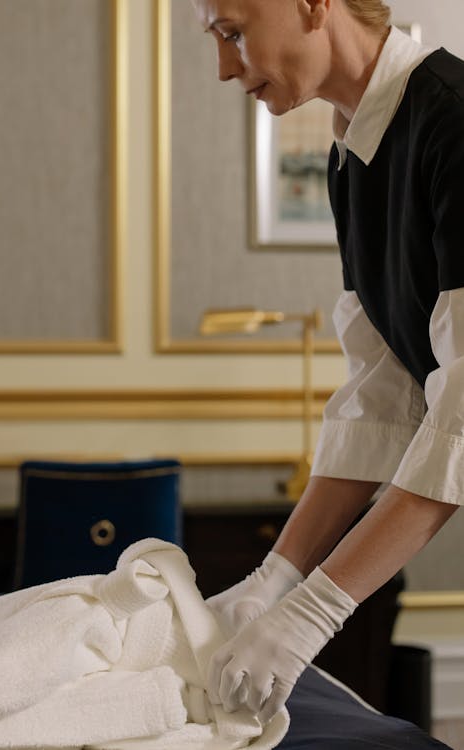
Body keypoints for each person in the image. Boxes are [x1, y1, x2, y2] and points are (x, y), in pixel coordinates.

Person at [190, 0, 463, 726]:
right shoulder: (354, 152)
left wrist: (311, 613)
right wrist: (272, 578)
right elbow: (384, 396)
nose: (223, 67)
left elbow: (463, 419)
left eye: (232, 33)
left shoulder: (455, 123)